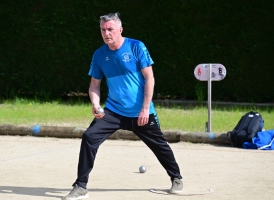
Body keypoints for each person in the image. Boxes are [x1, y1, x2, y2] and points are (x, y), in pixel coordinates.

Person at [62, 12, 183, 200]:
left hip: (140, 112)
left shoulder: (136, 46)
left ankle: (176, 177)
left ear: (120, 29)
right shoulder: (99, 55)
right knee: (89, 137)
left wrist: (144, 108)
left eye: (110, 29)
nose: (106, 33)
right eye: (103, 30)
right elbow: (95, 84)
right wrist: (95, 104)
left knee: (159, 145)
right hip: (113, 111)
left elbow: (149, 78)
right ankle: (80, 186)